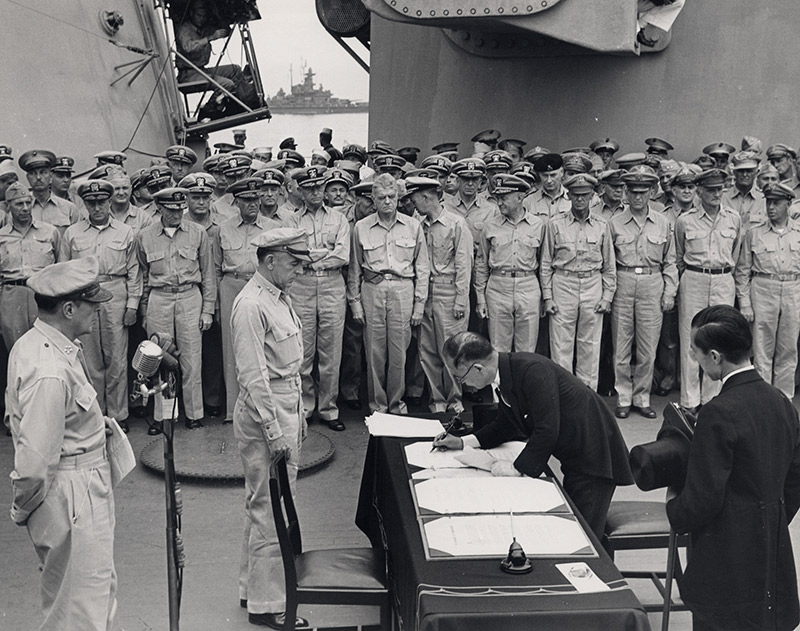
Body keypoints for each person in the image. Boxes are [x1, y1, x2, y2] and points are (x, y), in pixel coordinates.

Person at [667, 305, 800, 631]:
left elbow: (703, 499)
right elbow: (796, 476)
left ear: (715, 356)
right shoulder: (781, 401)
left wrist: (674, 510)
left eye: (696, 354)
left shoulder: (718, 412)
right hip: (773, 549)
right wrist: (770, 512)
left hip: (725, 554)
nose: (696, 361)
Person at [434, 331, 634, 539]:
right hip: (576, 454)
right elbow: (505, 426)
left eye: (460, 378)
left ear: (478, 368)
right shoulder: (509, 371)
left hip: (594, 458)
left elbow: (547, 429)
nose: (462, 385)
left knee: (583, 536)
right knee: (578, 528)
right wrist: (461, 442)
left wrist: (516, 468)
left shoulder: (532, 371)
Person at [8, 256, 117, 631]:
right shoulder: (50, 370)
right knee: (80, 612)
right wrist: (23, 509)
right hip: (72, 494)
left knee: (83, 599)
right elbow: (36, 463)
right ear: (69, 309)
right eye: (92, 304)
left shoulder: (38, 343)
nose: (98, 311)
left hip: (77, 484)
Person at [231, 227, 314, 630]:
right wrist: (274, 429)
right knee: (270, 507)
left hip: (285, 401)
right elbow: (253, 375)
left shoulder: (277, 297)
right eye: (294, 262)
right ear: (270, 260)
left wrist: (295, 416)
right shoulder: (251, 304)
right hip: (267, 408)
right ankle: (270, 605)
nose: (299, 269)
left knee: (262, 501)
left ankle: (252, 589)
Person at [60, 180, 141, 433]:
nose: (96, 207)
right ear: (85, 204)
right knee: (89, 358)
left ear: (109, 202)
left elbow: (134, 271)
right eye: (91, 203)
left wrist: (132, 305)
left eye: (101, 202)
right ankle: (96, 413)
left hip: (115, 293)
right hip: (83, 295)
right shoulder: (72, 233)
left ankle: (118, 414)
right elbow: (63, 270)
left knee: (116, 357)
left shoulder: (125, 232)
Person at [347, 174, 429, 414]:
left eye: (391, 197)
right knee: (374, 352)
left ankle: (396, 404)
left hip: (403, 289)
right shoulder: (361, 228)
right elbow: (354, 270)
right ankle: (378, 406)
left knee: (399, 352)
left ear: (399, 197)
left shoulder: (413, 226)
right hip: (372, 290)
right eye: (381, 197)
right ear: (372, 199)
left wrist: (419, 305)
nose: (387, 202)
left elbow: (422, 268)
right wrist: (355, 305)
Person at [137, 187, 216, 431]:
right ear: (158, 208)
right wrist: (144, 310)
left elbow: (208, 274)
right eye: (170, 210)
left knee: (192, 359)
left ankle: (194, 414)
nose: (176, 214)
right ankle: (165, 417)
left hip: (190, 297)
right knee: (160, 359)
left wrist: (208, 310)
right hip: (159, 299)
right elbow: (143, 275)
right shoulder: (145, 236)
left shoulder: (198, 233)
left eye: (180, 209)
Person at [609, 168, 678, 418]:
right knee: (621, 345)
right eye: (633, 192)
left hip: (652, 281)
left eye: (643, 192)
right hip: (624, 280)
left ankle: (642, 397)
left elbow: (670, 260)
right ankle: (624, 398)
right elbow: (608, 261)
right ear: (626, 193)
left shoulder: (663, 222)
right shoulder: (614, 223)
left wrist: (669, 291)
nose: (638, 197)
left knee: (648, 347)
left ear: (651, 192)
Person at [287, 167, 351, 430]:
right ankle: (304, 408)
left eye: (319, 187)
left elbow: (342, 255)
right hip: (301, 286)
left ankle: (328, 409)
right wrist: (321, 253)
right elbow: (293, 253)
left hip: (332, 284)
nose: (315, 192)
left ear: (325, 189)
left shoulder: (339, 219)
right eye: (309, 188)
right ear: (300, 191)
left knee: (331, 352)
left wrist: (312, 256)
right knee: (302, 352)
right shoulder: (291, 221)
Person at [674, 168, 742, 413]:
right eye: (710, 190)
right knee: (691, 339)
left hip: (723, 279)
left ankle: (711, 400)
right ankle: (690, 401)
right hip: (694, 278)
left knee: (719, 339)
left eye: (719, 189)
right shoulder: (685, 220)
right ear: (699, 191)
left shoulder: (733, 218)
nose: (716, 194)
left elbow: (736, 253)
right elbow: (679, 255)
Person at [540, 173, 616, 391]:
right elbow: (546, 263)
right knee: (561, 345)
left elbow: (609, 265)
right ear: (569, 196)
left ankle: (586, 395)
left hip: (592, 283)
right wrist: (548, 297)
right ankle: (562, 394)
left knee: (590, 345)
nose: (580, 200)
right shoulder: (555, 224)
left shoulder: (602, 225)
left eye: (584, 195)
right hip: (563, 283)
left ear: (592, 196)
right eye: (575, 195)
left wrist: (607, 296)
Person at [215, 177, 281, 424]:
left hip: (261, 286)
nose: (253, 204)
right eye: (246, 200)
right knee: (232, 348)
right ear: (236, 202)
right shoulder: (224, 228)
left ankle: (263, 407)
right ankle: (234, 408)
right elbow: (215, 266)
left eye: (256, 198)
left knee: (264, 345)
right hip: (231, 284)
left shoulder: (272, 228)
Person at [405, 176, 472, 414]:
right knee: (428, 351)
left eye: (415, 200)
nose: (414, 206)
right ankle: (437, 401)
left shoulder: (456, 224)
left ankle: (455, 399)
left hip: (449, 290)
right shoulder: (417, 225)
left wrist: (461, 300)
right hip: (425, 291)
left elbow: (464, 265)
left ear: (426, 197)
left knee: (452, 350)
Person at [735, 183, 800, 398]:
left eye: (777, 203)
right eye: (769, 202)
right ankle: (763, 400)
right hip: (763, 288)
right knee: (762, 350)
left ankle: (783, 400)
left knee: (788, 349)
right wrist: (745, 303)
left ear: (789, 204)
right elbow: (743, 271)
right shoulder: (754, 234)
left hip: (793, 289)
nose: (771, 207)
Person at [474, 173, 545, 353]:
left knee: (527, 349)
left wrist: (546, 296)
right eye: (497, 198)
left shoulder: (539, 225)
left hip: (528, 286)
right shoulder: (490, 226)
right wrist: (481, 299)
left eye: (504, 198)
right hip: (498, 287)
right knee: (498, 348)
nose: (499, 203)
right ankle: (502, 382)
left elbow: (544, 263)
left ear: (520, 197)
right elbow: (482, 264)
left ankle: (523, 381)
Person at [0, 182, 60, 348]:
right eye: (19, 204)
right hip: (12, 297)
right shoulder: (2, 236)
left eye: (28, 202)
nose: (25, 208)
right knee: (16, 349)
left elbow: (60, 268)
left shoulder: (50, 232)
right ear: (7, 206)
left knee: (47, 346)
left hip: (43, 295)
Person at [174, 0, 257, 109]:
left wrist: (216, 14)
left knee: (235, 69)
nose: (202, 19)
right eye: (199, 15)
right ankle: (208, 109)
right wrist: (209, 38)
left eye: (204, 16)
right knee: (228, 84)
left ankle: (239, 103)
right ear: (191, 14)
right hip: (188, 75)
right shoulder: (184, 29)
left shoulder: (203, 29)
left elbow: (226, 32)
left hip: (201, 70)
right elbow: (188, 47)